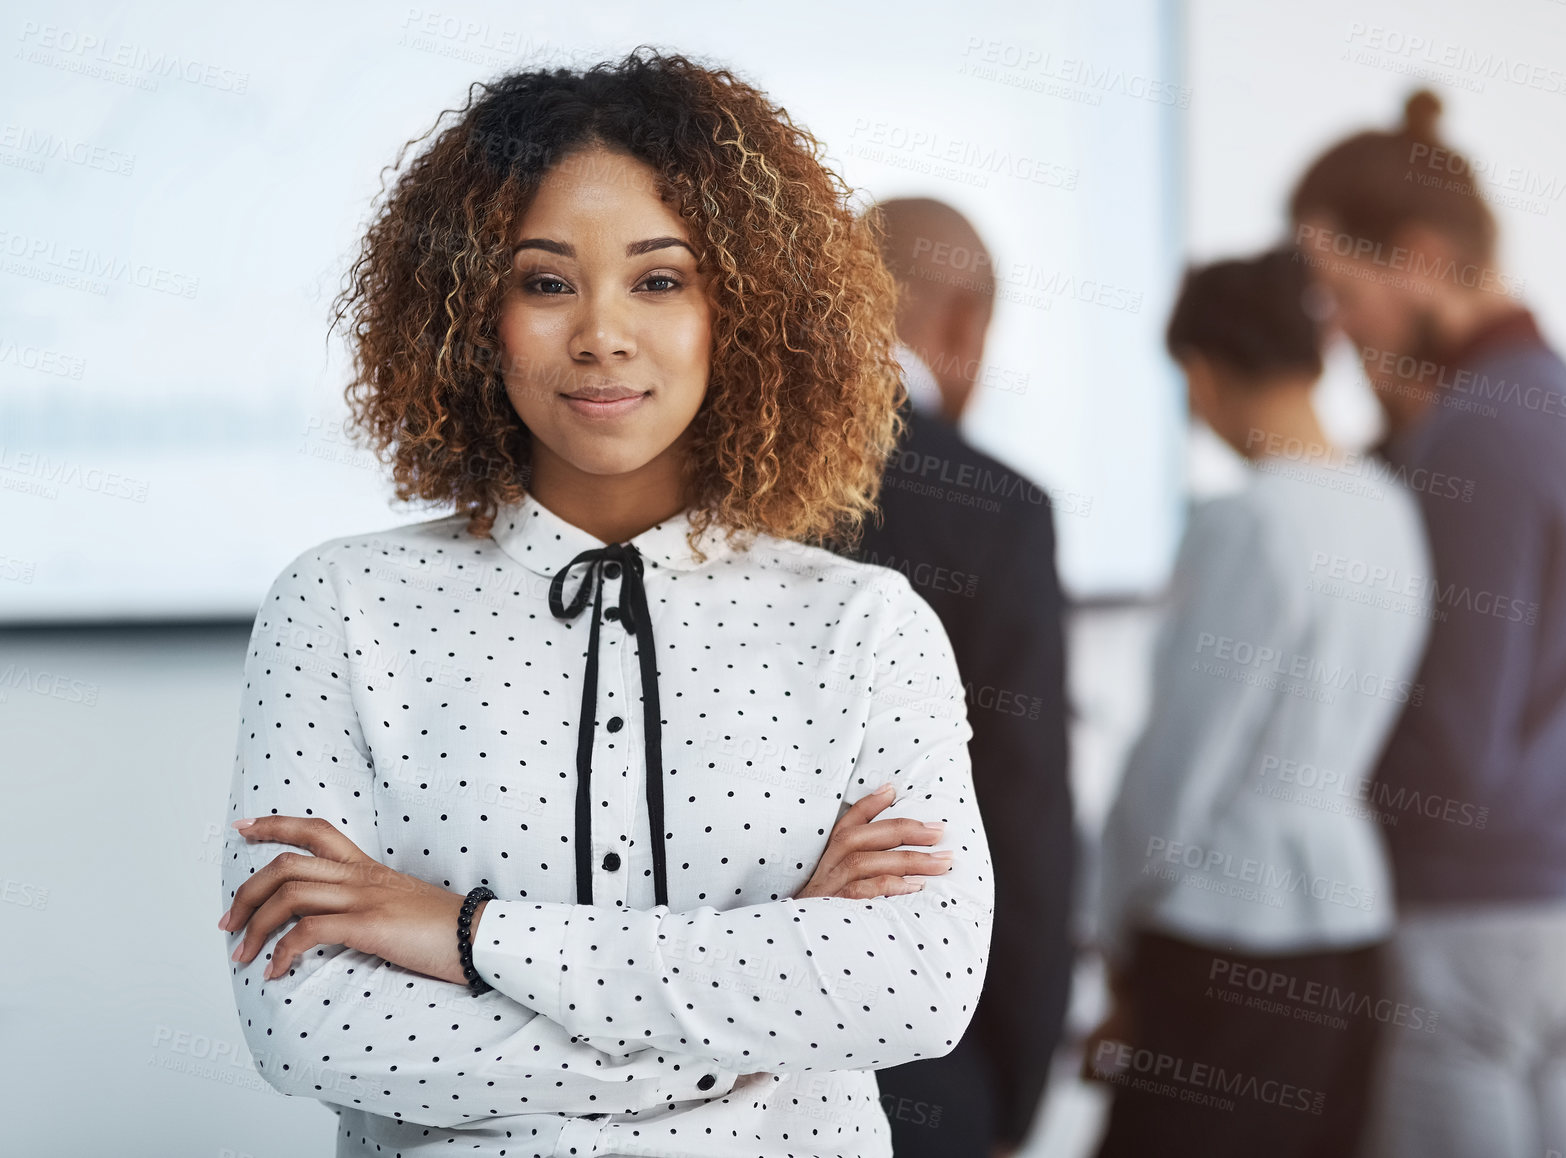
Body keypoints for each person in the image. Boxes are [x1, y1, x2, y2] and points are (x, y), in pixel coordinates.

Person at [214, 49, 994, 1158]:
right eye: (544, 281)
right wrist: (756, 1011)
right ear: (469, 311)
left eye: (659, 279)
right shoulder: (340, 606)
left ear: (746, 307)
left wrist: (464, 934)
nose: (600, 334)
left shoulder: (865, 624)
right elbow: (311, 1028)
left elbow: (913, 991)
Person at [1288, 90, 1566, 1158]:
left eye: (1341, 291)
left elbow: (1452, 742)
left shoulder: (1476, 435)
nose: (1339, 328)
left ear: (1415, 255)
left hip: (1468, 930)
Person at [1087, 245, 1432, 1158]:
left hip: (1223, 938)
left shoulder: (1250, 521)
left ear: (1200, 372)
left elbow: (1183, 762)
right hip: (1350, 922)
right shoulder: (1386, 506)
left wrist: (1113, 928)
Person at [852, 198, 1075, 1158]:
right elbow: (1023, 820)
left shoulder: (711, 480)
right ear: (962, 324)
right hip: (926, 1055)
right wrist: (1018, 1081)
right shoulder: (1002, 514)